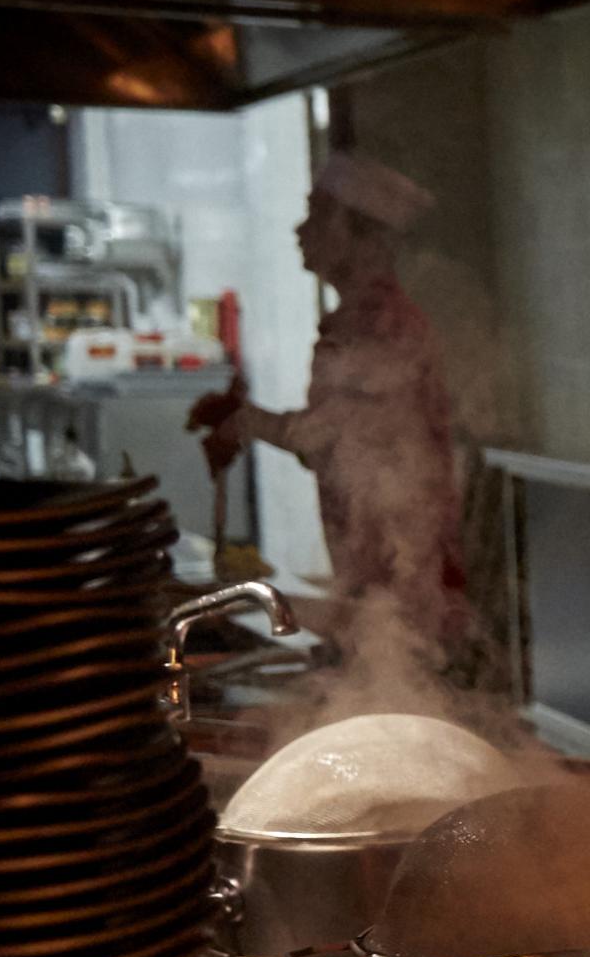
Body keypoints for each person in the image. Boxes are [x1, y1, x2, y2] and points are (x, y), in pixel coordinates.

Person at [192, 149, 466, 649]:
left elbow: (326, 438)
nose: (300, 230)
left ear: (361, 235)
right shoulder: (355, 321)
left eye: (317, 214)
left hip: (405, 580)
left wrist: (245, 421)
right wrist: (243, 419)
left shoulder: (384, 327)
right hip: (372, 578)